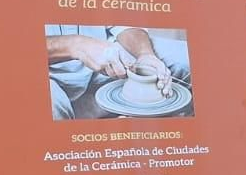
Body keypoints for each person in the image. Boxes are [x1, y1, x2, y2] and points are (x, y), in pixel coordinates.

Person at [46, 23, 191, 119]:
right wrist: (75, 45)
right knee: (51, 108)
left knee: (187, 59)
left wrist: (145, 54)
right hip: (48, 72)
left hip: (105, 56)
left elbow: (124, 24)